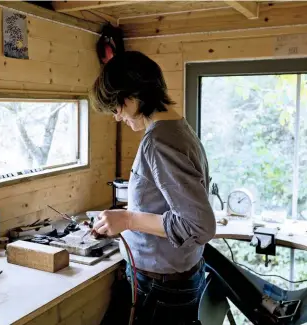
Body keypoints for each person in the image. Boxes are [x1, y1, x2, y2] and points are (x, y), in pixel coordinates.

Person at [90, 51, 216, 325]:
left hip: (163, 289)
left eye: (116, 108)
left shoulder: (159, 141)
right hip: (175, 279)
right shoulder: (178, 129)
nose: (116, 117)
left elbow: (199, 226)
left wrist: (127, 218)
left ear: (130, 99)